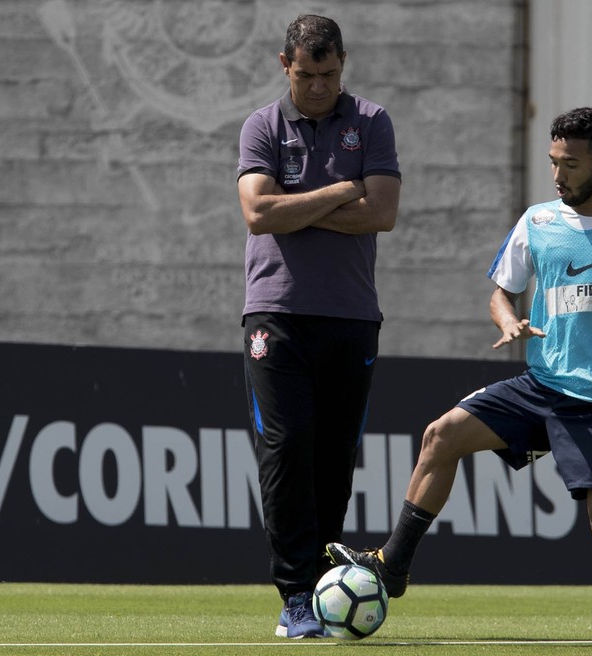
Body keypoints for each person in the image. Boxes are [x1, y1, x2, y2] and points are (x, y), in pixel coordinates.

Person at [327, 107, 592, 647]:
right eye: (553, 162)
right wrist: (508, 319)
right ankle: (393, 564)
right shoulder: (537, 222)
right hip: (544, 384)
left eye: (571, 164)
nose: (559, 174)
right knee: (440, 436)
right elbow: (501, 290)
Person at [236, 14, 401, 639]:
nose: (316, 87)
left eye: (328, 75)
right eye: (305, 75)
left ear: (344, 63)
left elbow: (382, 213)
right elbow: (257, 212)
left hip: (352, 316)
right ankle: (295, 598)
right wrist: (340, 192)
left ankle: (328, 583)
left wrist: (296, 205)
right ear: (286, 65)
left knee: (334, 458)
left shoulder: (372, 121)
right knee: (285, 448)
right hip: (275, 312)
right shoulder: (262, 125)